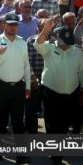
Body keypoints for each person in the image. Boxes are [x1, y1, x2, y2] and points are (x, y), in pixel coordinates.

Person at [34, 22, 83, 165]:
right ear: (57, 39)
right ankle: (55, 150)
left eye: (69, 42)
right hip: (51, 92)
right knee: (51, 122)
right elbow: (38, 44)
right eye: (64, 42)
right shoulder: (49, 47)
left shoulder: (78, 51)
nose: (67, 45)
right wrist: (45, 31)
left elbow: (81, 72)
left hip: (71, 93)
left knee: (65, 122)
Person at [0, 13, 30, 164]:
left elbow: (26, 65)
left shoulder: (22, 42)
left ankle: (20, 155)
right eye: (10, 24)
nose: (13, 27)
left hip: (18, 87)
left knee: (19, 122)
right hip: (0, 86)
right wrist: (0, 52)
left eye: (15, 24)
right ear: (4, 25)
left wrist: (28, 85)